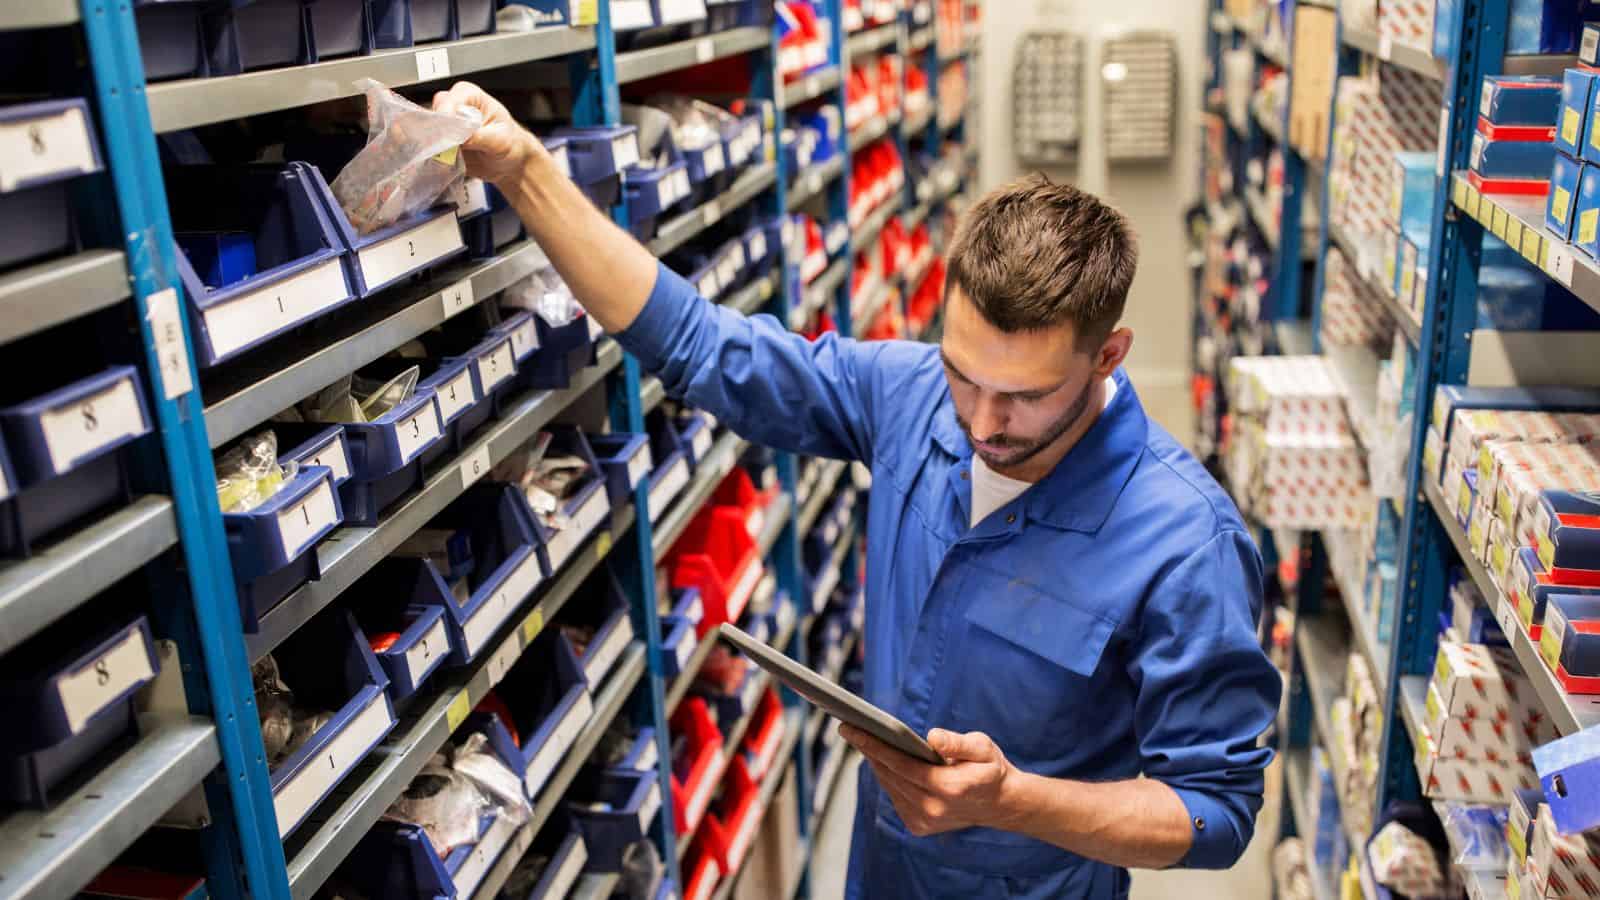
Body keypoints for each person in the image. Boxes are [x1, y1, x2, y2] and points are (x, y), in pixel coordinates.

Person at [433, 81, 1280, 899]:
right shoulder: (908, 395)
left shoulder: (1185, 539)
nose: (982, 423)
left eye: (1025, 396)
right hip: (880, 871)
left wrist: (1016, 800)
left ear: (1109, 355)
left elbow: (1216, 808)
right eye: (962, 373)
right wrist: (526, 170)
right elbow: (696, 343)